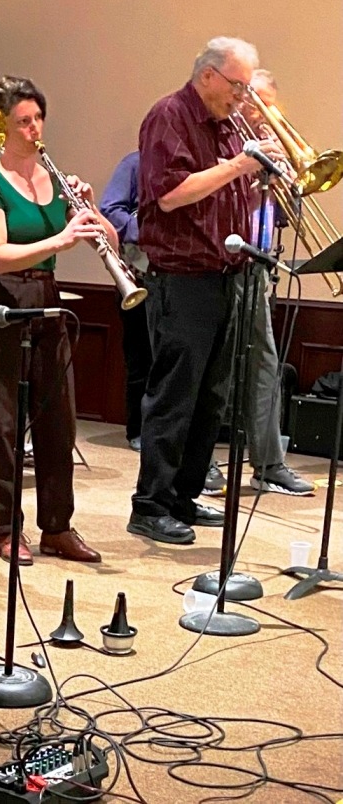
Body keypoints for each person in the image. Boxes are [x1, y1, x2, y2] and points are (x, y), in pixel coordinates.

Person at [127, 36, 286, 545]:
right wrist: (240, 165)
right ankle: (150, 504)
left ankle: (184, 496)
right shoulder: (169, 116)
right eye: (238, 86)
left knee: (211, 398)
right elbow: (169, 196)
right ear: (208, 76)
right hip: (182, 278)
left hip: (227, 275)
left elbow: (225, 193)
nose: (243, 97)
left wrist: (262, 180)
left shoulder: (228, 126)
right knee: (175, 396)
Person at [0, 75, 109, 566]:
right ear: (1, 127)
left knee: (57, 419)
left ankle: (57, 527)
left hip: (46, 297)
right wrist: (60, 240)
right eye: (23, 121)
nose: (34, 129)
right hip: (3, 300)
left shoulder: (57, 178)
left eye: (38, 118)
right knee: (2, 422)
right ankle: (7, 529)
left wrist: (89, 209)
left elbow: (105, 237)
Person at [233, 69, 313, 496]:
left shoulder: (270, 150)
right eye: (255, 103)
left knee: (264, 363)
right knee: (212, 369)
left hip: (258, 266)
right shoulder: (225, 142)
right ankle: (197, 465)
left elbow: (288, 219)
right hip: (220, 264)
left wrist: (284, 182)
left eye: (267, 105)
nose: (263, 114)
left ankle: (267, 463)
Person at [99, 151, 151, 452]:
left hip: (179, 279)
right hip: (139, 276)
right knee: (141, 359)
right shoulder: (134, 163)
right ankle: (138, 430)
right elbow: (109, 210)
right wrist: (144, 229)